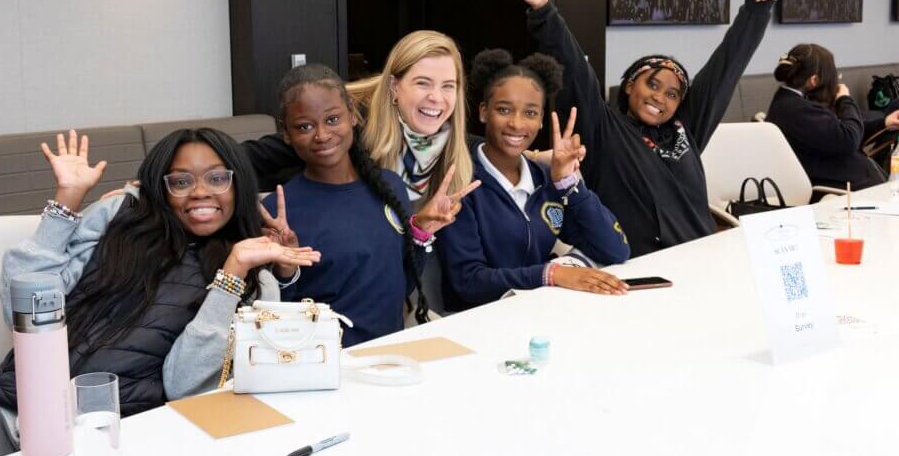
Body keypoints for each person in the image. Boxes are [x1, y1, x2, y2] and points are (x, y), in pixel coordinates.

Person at [0, 129, 318, 456]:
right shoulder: (118, 218)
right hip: (14, 421)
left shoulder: (253, 279)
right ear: (161, 188)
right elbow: (30, 311)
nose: (200, 192)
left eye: (218, 178)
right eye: (181, 181)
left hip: (127, 441)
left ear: (238, 185)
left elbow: (184, 387)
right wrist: (67, 201)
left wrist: (231, 276)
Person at [519, 0, 779, 256]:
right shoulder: (605, 130)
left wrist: (757, 11)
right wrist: (543, 10)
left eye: (672, 94)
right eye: (652, 86)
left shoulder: (684, 129)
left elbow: (726, 69)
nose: (660, 98)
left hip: (704, 260)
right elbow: (575, 68)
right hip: (640, 270)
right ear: (630, 86)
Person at [264, 64, 479, 343]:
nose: (321, 135)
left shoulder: (389, 186)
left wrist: (421, 230)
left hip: (388, 355)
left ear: (352, 116)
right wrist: (285, 269)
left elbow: (401, 283)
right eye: (304, 126)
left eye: (332, 119)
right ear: (286, 134)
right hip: (326, 365)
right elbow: (274, 317)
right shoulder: (276, 211)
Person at [436, 49, 631, 311]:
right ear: (483, 112)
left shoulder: (544, 179)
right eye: (504, 110)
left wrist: (569, 184)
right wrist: (550, 274)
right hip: (478, 321)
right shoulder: (461, 182)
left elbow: (615, 249)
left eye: (530, 113)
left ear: (541, 121)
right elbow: (468, 282)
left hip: (537, 311)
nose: (516, 124)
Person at [243, 31, 474, 204]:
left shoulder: (456, 141)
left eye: (448, 86)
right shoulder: (345, 127)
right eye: (422, 83)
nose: (436, 97)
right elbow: (249, 158)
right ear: (394, 86)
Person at [765, 44, 899, 191]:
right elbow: (848, 138)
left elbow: (838, 132)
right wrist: (844, 99)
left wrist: (885, 122)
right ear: (814, 80)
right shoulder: (798, 110)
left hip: (860, 186)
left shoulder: (790, 103)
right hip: (844, 192)